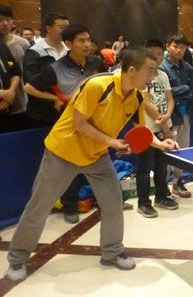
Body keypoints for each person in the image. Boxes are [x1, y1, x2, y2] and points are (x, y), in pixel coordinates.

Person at [5, 48, 179, 281]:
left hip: (96, 155)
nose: (153, 75)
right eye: (150, 70)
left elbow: (141, 129)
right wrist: (112, 142)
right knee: (39, 205)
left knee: (113, 202)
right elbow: (79, 123)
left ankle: (112, 251)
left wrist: (160, 143)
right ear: (131, 70)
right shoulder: (97, 85)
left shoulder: (137, 96)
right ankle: (17, 258)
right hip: (63, 152)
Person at [23, 24, 105, 223]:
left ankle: (103, 201)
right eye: (81, 41)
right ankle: (70, 206)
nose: (87, 44)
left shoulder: (96, 62)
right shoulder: (55, 68)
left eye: (88, 40)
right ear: (68, 43)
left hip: (96, 123)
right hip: (69, 126)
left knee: (100, 166)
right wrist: (55, 98)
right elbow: (29, 88)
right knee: (70, 168)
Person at [136, 39, 179, 218]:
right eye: (153, 54)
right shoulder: (142, 77)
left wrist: (167, 116)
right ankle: (143, 202)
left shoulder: (162, 75)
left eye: (160, 54)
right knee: (145, 168)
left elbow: (170, 99)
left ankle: (161, 196)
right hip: (147, 128)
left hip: (164, 125)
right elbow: (146, 104)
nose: (157, 57)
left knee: (162, 166)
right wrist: (163, 124)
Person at [159, 33, 193, 198]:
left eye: (182, 47)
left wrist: (178, 92)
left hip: (186, 114)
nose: (179, 50)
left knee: (183, 148)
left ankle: (177, 181)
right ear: (168, 46)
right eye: (175, 46)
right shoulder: (162, 68)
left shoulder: (188, 68)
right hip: (169, 115)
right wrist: (184, 89)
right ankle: (164, 185)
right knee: (168, 149)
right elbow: (164, 93)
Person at [23, 13, 70, 127]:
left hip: (67, 112)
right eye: (61, 28)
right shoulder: (34, 52)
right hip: (42, 113)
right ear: (48, 28)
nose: (66, 32)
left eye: (68, 28)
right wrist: (54, 98)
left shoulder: (70, 50)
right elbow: (31, 85)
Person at [0, 5, 22, 133]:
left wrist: (11, 92)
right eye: (0, 20)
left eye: (8, 19)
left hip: (5, 110)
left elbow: (16, 72)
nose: (5, 23)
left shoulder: (3, 47)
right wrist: (4, 94)